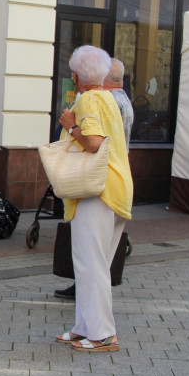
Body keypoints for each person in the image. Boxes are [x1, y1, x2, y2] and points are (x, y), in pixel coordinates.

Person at [55, 45, 133, 352]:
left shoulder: (87, 99)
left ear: (76, 75)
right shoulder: (111, 99)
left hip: (96, 190)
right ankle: (84, 328)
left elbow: (94, 142)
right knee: (94, 262)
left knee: (91, 264)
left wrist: (70, 126)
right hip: (116, 188)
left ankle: (102, 334)